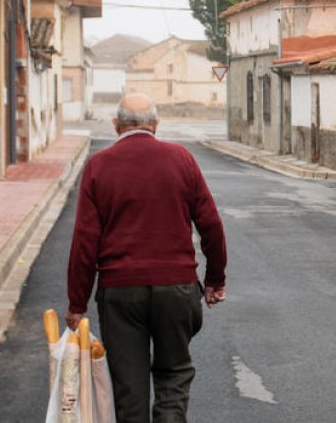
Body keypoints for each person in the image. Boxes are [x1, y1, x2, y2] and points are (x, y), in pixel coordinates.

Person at [66, 93, 228, 423]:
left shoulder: (99, 166)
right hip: (177, 288)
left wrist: (77, 304)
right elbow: (211, 224)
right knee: (173, 376)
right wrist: (214, 280)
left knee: (129, 387)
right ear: (156, 125)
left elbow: (84, 241)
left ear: (115, 126)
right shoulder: (181, 158)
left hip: (120, 292)